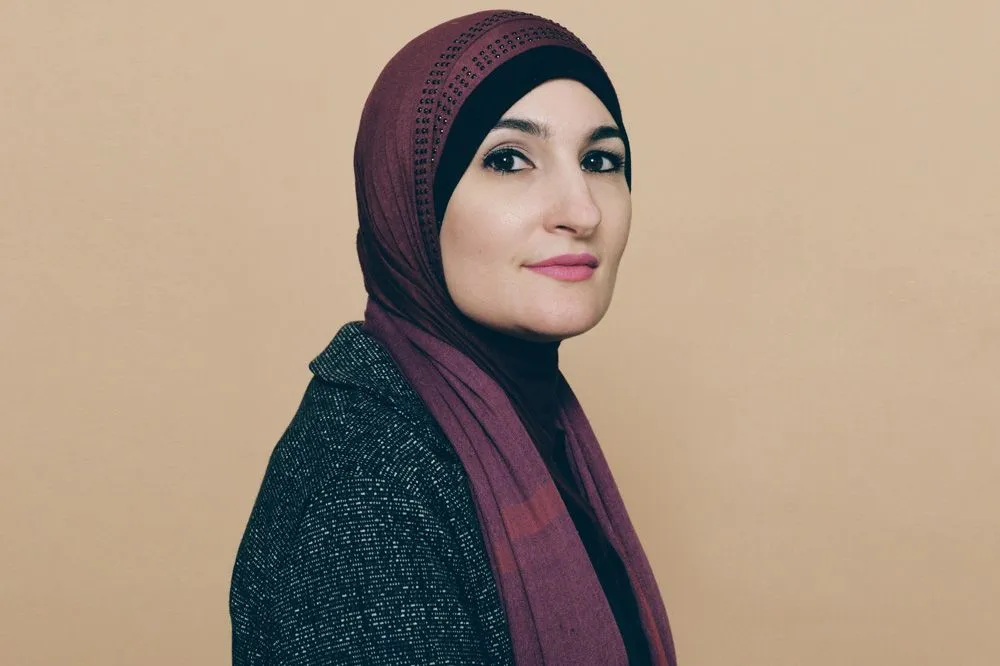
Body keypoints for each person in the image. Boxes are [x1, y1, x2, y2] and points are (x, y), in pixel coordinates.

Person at [230, 10, 677, 665]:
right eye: (508, 160)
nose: (582, 211)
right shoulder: (368, 491)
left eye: (600, 161)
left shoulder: (533, 425)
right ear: (411, 200)